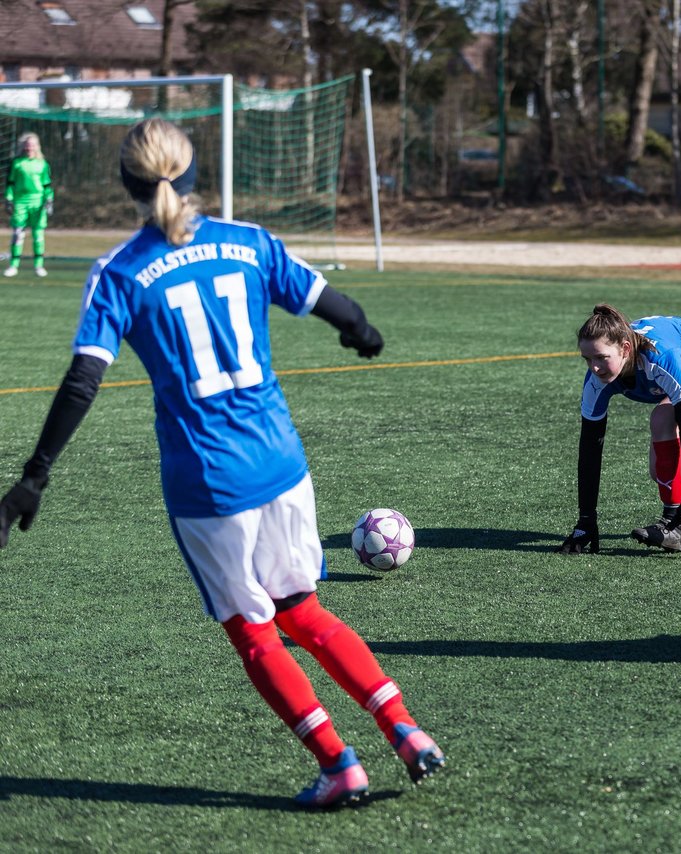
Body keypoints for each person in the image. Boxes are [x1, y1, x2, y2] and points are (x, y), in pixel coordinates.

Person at [0, 118, 443, 809]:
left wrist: (34, 476)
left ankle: (339, 766)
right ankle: (406, 730)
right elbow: (337, 307)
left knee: (253, 628)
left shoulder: (119, 271)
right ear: (194, 173)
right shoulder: (250, 243)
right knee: (305, 610)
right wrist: (361, 330)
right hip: (282, 461)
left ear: (128, 184)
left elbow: (84, 380)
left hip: (208, 480)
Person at [558, 304, 681, 556]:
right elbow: (590, 448)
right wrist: (585, 520)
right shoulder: (596, 382)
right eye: (587, 359)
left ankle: (671, 523)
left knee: (663, 418)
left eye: (601, 358)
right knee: (662, 472)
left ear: (625, 349)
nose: (594, 368)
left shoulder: (660, 357)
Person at [5, 131, 54, 277]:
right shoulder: (17, 163)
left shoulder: (42, 164)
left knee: (38, 234)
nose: (29, 148)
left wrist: (49, 199)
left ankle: (38, 266)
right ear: (23, 146)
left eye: (32, 145)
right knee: (18, 234)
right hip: (20, 202)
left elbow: (47, 185)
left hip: (37, 202)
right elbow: (10, 183)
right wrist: (9, 199)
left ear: (36, 146)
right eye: (27, 145)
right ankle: (13, 265)